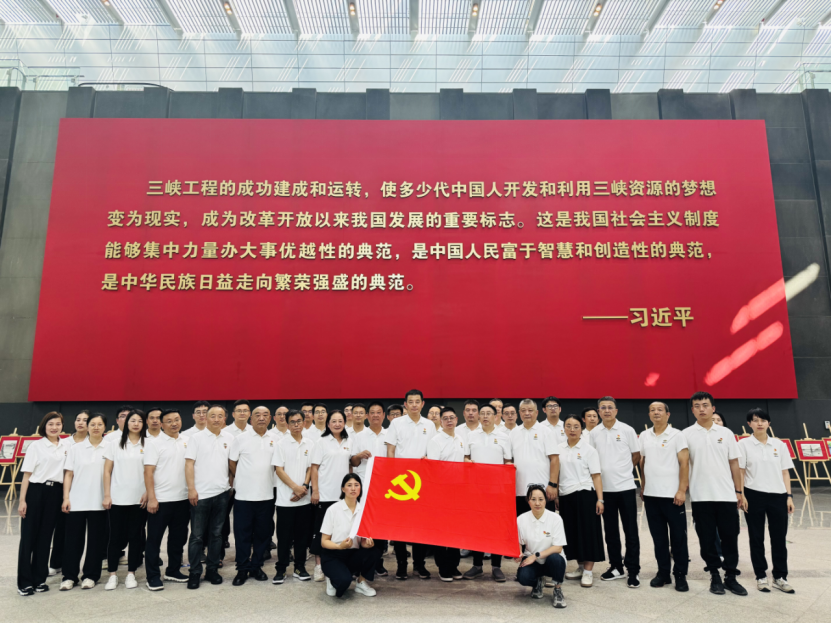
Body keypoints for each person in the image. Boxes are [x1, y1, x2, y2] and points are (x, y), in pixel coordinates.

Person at [684, 392, 747, 596]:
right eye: (697, 406)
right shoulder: (686, 434)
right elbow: (683, 465)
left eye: (705, 405)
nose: (701, 409)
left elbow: (734, 463)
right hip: (701, 496)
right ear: (692, 410)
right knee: (707, 539)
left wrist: (739, 491)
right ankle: (714, 575)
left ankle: (731, 576)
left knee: (730, 537)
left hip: (726, 495)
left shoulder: (726, 433)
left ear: (713, 408)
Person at [739, 408, 795, 594]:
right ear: (749, 424)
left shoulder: (779, 445)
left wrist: (789, 496)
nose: (760, 423)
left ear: (769, 423)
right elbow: (741, 472)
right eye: (755, 420)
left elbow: (785, 472)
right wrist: (741, 495)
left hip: (778, 496)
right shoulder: (744, 445)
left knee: (779, 538)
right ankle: (761, 575)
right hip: (753, 494)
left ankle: (780, 577)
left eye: (763, 420)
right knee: (756, 537)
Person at [589, 396, 641, 587]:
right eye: (603, 408)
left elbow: (636, 455)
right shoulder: (594, 433)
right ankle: (616, 567)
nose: (607, 410)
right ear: (599, 411)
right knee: (610, 532)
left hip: (626, 488)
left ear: (616, 411)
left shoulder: (627, 430)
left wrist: (624, 470)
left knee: (631, 531)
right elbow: (591, 458)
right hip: (605, 491)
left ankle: (633, 571)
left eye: (610, 407)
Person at [385, 389, 437, 580]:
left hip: (422, 482)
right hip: (401, 482)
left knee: (420, 526)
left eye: (417, 401)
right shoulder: (396, 423)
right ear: (405, 404)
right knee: (400, 526)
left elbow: (433, 450)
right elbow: (390, 450)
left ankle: (419, 565)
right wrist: (392, 474)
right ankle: (401, 565)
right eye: (411, 402)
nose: (414, 405)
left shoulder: (430, 425)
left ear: (423, 404)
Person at [639, 402, 690, 591]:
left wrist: (681, 490)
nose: (656, 412)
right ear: (649, 415)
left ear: (668, 414)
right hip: (652, 495)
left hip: (672, 495)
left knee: (678, 538)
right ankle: (663, 573)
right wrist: (643, 486)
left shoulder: (677, 435)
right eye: (652, 410)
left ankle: (680, 575)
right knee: (659, 538)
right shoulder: (644, 435)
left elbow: (684, 463)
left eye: (660, 410)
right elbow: (643, 463)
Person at [17, 412, 66, 596]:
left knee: (46, 538)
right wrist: (22, 501)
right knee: (29, 538)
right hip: (36, 491)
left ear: (62, 426)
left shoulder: (66, 446)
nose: (54, 427)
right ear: (44, 426)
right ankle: (24, 582)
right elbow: (27, 475)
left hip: (56, 493)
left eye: (58, 424)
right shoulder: (36, 446)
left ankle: (39, 579)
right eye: (50, 424)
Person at [185, 404, 233, 589]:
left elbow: (231, 464)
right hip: (201, 494)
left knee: (216, 534)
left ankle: (212, 570)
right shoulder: (196, 438)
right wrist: (191, 489)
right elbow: (189, 464)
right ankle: (195, 572)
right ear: (206, 417)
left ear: (224, 419)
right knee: (197, 536)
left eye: (220, 416)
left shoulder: (229, 438)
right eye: (212, 416)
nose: (216, 419)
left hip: (222, 493)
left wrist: (230, 486)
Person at [143, 408, 190, 590]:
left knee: (178, 539)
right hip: (161, 500)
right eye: (169, 421)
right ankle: (153, 576)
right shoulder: (154, 444)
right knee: (154, 540)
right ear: (162, 425)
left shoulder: (187, 441)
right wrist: (152, 498)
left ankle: (173, 570)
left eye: (176, 419)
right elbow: (148, 472)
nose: (174, 424)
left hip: (182, 499)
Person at [60, 413, 108, 591]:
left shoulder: (110, 448)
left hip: (99, 502)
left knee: (96, 542)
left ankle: (90, 576)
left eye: (99, 424)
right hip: (77, 501)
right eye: (92, 424)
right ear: (87, 427)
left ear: (105, 427)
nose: (96, 427)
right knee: (72, 541)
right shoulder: (76, 448)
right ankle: (69, 576)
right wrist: (66, 497)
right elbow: (69, 474)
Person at [465, 404, 512, 582]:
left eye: (489, 414)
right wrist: (467, 462)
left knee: (496, 527)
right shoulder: (471, 435)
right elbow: (466, 458)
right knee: (477, 527)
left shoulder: (504, 436)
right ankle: (477, 565)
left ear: (495, 416)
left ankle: (496, 566)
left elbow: (508, 461)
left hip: (496, 490)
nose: (485, 416)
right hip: (476, 489)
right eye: (482, 413)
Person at [103, 409, 148, 591]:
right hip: (117, 498)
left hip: (139, 499)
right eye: (132, 420)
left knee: (135, 537)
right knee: (115, 537)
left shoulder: (149, 444)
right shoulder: (115, 444)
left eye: (139, 421)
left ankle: (131, 574)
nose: (136, 424)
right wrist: (107, 495)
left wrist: (148, 492)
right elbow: (107, 471)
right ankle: (112, 575)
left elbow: (152, 471)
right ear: (126, 423)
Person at [557, 415, 604, 588]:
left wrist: (600, 499)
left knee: (588, 533)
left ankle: (589, 572)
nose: (572, 430)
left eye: (576, 426)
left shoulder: (588, 450)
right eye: (568, 426)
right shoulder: (558, 449)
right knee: (573, 533)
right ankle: (581, 567)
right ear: (564, 428)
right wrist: (557, 495)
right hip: (566, 495)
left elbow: (596, 476)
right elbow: (557, 473)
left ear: (581, 429)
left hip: (585, 494)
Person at [229, 405, 273, 586]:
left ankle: (256, 566)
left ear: (270, 418)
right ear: (251, 418)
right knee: (242, 535)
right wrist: (243, 477)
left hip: (267, 495)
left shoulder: (276, 439)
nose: (261, 418)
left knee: (263, 535)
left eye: (265, 415)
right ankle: (242, 568)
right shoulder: (240, 439)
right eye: (257, 415)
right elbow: (232, 462)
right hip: (244, 496)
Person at [320, 474, 381, 598]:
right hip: (333, 555)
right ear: (343, 489)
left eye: (356, 485)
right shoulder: (333, 510)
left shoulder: (364, 511)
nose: (353, 488)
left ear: (360, 488)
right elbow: (324, 541)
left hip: (352, 554)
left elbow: (362, 541)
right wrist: (339, 546)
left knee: (375, 550)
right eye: (349, 485)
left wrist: (367, 544)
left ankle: (361, 582)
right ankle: (331, 578)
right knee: (343, 583)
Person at [426, 406, 469, 582]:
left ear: (457, 419)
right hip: (441, 492)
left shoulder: (460, 438)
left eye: (452, 417)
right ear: (440, 421)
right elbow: (433, 469)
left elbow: (461, 460)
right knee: (440, 531)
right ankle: (443, 567)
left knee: (455, 530)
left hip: (458, 492)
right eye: (445, 418)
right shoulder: (435, 441)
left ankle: (453, 565)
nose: (449, 421)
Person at [272, 409, 314, 584]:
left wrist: (304, 487)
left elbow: (311, 468)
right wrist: (295, 488)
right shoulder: (281, 444)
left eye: (299, 421)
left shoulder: (310, 443)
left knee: (302, 537)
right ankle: (281, 569)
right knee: (284, 538)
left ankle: (300, 567)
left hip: (304, 499)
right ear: (287, 425)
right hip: (285, 500)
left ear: (304, 423)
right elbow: (279, 470)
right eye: (292, 422)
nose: (296, 424)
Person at [310, 410, 352, 582]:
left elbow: (350, 465)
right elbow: (314, 468)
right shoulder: (321, 442)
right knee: (322, 531)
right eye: (333, 421)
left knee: (341, 530)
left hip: (343, 496)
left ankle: (339, 564)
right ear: (328, 424)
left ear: (344, 423)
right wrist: (315, 490)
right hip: (325, 494)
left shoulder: (349, 441)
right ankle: (319, 566)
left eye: (340, 421)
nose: (337, 424)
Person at [350, 401, 389, 576]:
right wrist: (359, 455)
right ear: (367, 416)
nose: (375, 415)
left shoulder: (389, 435)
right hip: (364, 486)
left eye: (378, 412)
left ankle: (377, 562)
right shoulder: (359, 436)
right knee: (363, 525)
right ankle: (360, 563)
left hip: (385, 487)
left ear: (383, 415)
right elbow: (353, 462)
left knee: (380, 526)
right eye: (372, 412)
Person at [51, 410, 90, 577]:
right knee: (61, 529)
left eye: (85, 420)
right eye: (78, 419)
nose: (80, 423)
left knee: (83, 532)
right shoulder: (64, 442)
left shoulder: (93, 442)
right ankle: (56, 563)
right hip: (64, 489)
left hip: (86, 490)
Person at [517, 484, 567, 608]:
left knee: (556, 559)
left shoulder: (555, 518)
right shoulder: (521, 519)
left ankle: (558, 589)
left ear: (546, 500)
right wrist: (518, 553)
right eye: (533, 499)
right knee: (522, 577)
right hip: (533, 561)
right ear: (528, 501)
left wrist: (536, 556)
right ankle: (537, 583)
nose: (537, 503)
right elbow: (518, 542)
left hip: (551, 560)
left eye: (541, 499)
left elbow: (558, 547)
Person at [509, 399, 560, 517]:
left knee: (545, 523)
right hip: (520, 490)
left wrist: (553, 485)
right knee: (522, 524)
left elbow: (555, 459)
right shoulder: (513, 433)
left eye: (530, 410)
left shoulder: (546, 431)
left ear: (536, 413)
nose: (527, 413)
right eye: (523, 410)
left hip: (543, 489)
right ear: (519, 413)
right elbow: (509, 460)